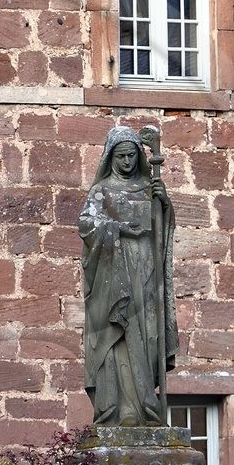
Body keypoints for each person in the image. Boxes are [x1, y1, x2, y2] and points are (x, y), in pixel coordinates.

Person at [79, 125, 177, 426]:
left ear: (139, 156)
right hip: (113, 271)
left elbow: (163, 230)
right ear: (111, 157)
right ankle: (118, 409)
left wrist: (164, 205)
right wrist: (118, 229)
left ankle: (146, 405)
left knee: (147, 333)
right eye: (120, 156)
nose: (126, 162)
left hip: (146, 268)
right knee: (117, 334)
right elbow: (86, 226)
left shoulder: (150, 188)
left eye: (131, 155)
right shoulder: (101, 191)